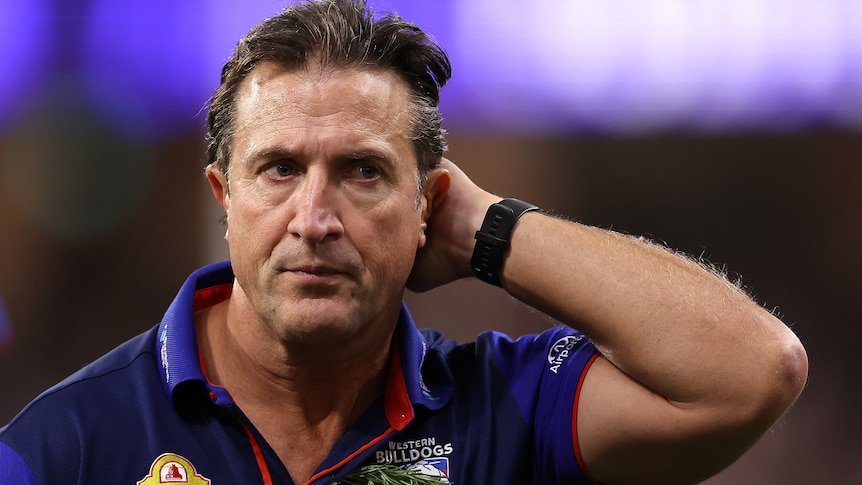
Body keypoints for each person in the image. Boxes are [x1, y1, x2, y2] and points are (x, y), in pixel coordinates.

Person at [0, 0, 808, 483]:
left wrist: (489, 228)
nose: (315, 218)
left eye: (363, 172)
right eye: (280, 169)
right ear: (225, 197)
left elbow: (752, 369)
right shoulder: (66, 445)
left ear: (429, 205)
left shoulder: (504, 410)